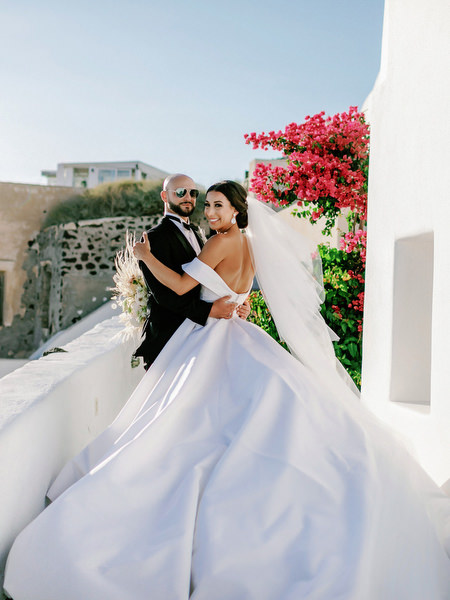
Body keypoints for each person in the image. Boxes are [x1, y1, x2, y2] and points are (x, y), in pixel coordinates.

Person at [4, 182, 450, 600]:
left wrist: (144, 256)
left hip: (212, 337)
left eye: (218, 205)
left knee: (187, 420)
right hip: (241, 332)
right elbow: (245, 294)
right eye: (208, 204)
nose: (210, 211)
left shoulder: (219, 241)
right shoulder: (250, 245)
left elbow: (180, 286)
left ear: (236, 210)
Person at [134, 173, 249, 370]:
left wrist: (238, 303)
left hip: (203, 337)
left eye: (193, 193)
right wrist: (210, 310)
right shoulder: (154, 238)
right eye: (180, 192)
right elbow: (165, 296)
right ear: (164, 196)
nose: (188, 197)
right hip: (170, 341)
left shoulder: (200, 233)